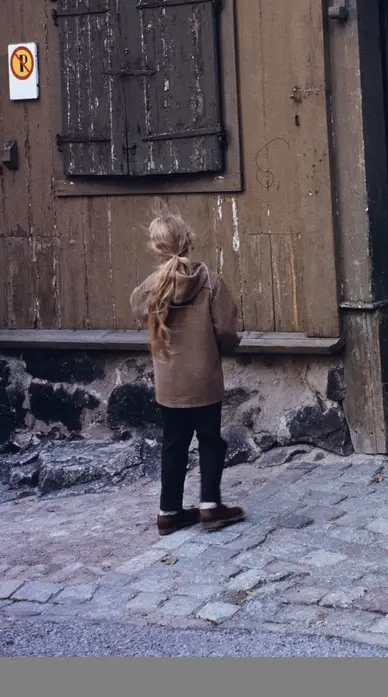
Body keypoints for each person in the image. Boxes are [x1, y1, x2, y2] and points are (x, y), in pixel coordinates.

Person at [130, 208, 245, 535]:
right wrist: (223, 347)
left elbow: (137, 308)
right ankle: (210, 506)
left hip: (170, 383)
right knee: (210, 440)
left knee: (173, 443)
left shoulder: (151, 287)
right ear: (188, 242)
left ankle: (168, 513)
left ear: (156, 247)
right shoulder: (209, 281)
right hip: (204, 378)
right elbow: (226, 329)